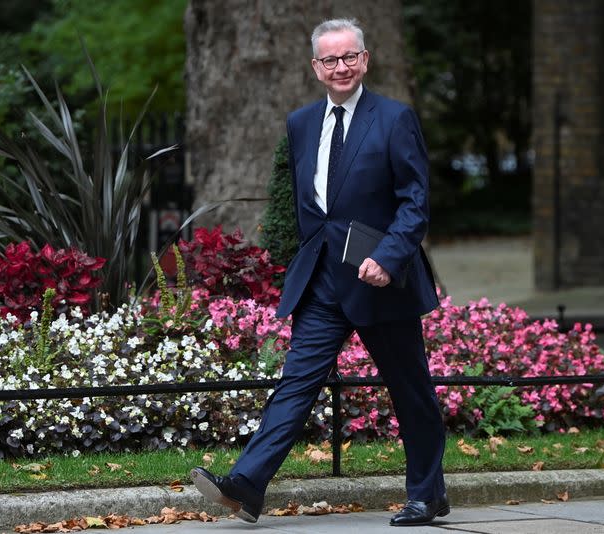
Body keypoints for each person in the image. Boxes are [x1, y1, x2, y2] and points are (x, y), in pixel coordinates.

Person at [191, 18, 448, 527]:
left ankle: (428, 495)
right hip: (324, 281)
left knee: (410, 388)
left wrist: (390, 256)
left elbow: (414, 203)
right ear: (315, 67)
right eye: (329, 60)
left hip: (381, 279)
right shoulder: (301, 122)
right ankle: (248, 484)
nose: (340, 67)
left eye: (349, 57)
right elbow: (306, 204)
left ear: (366, 59)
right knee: (296, 383)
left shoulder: (395, 119)